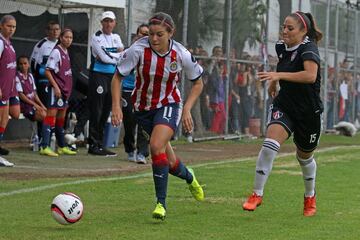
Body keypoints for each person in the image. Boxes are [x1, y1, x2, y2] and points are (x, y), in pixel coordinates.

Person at [111, 12, 205, 220]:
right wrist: (116, 106)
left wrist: (187, 109)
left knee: (155, 147)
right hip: (143, 109)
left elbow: (198, 82)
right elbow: (117, 77)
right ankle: (190, 177)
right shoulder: (137, 50)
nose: (154, 39)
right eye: (151, 34)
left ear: (171, 33)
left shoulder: (181, 54)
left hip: (169, 104)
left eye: (159, 34)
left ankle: (161, 204)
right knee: (169, 163)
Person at [242, 11, 323, 217]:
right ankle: (256, 194)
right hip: (285, 105)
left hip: (308, 113)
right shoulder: (281, 46)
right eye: (283, 27)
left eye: (290, 28)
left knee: (304, 158)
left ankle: (309, 196)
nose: (284, 31)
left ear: (303, 31)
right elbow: (283, 65)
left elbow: (310, 76)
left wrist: (277, 75)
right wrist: (274, 81)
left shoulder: (309, 48)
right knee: (270, 144)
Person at [87, 11, 124, 156]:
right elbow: (102, 57)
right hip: (99, 75)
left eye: (111, 21)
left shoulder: (116, 37)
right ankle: (93, 144)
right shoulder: (96, 37)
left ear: (114, 23)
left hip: (113, 76)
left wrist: (113, 54)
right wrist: (116, 55)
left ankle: (100, 144)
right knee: (97, 109)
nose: (108, 24)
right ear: (102, 23)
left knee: (107, 108)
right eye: (106, 21)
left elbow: (121, 54)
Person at [39, 28, 76, 157]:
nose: (69, 40)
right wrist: (56, 87)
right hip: (56, 91)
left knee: (61, 119)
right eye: (66, 37)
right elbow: (48, 71)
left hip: (64, 92)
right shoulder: (56, 52)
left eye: (71, 38)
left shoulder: (66, 52)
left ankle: (61, 146)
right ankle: (44, 146)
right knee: (51, 117)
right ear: (61, 38)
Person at [121, 23, 149, 164]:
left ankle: (142, 152)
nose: (144, 36)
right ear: (137, 34)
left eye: (146, 34)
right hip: (128, 89)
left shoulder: (152, 53)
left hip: (144, 91)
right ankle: (130, 148)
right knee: (130, 120)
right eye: (141, 33)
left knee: (144, 121)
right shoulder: (130, 51)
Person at [30, 21, 60, 142]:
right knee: (45, 109)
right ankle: (42, 138)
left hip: (58, 84)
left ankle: (53, 137)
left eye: (57, 29)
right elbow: (33, 63)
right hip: (44, 82)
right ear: (47, 31)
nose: (55, 32)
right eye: (52, 29)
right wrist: (39, 78)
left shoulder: (60, 44)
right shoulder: (41, 44)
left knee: (56, 110)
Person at [0, 15, 17, 167]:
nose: (11, 29)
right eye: (8, 26)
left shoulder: (9, 44)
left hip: (7, 90)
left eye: (13, 27)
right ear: (1, 26)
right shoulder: (0, 43)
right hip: (0, 90)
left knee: (3, 121)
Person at [16, 55, 47, 122]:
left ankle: (47, 131)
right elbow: (21, 95)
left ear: (29, 65)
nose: (23, 66)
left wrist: (41, 105)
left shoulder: (30, 76)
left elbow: (34, 93)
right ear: (18, 65)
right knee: (43, 115)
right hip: (24, 105)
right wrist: (35, 105)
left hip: (31, 104)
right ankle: (45, 131)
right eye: (20, 64)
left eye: (25, 63)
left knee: (47, 113)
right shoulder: (17, 77)